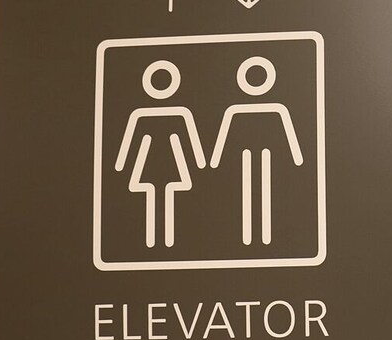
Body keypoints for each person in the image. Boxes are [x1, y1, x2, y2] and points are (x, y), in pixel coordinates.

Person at [210, 56, 303, 246]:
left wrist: (296, 155)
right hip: (246, 156)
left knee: (261, 189)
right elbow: (224, 135)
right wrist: (215, 157)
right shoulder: (237, 110)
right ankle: (251, 235)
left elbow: (288, 133)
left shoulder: (275, 109)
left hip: (265, 156)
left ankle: (261, 235)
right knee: (250, 190)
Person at [115, 59, 206, 248]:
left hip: (160, 164)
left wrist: (122, 164)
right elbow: (132, 142)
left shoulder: (179, 114)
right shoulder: (145, 115)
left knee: (162, 193)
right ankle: (157, 241)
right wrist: (199, 162)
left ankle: (162, 240)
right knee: (157, 193)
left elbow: (189, 140)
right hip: (156, 163)